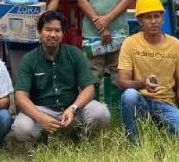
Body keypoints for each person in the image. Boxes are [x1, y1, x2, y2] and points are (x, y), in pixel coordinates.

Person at [11, 10, 110, 143]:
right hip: (42, 110)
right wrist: (40, 118)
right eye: (48, 30)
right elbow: (20, 96)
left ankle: (80, 137)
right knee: (21, 128)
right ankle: (41, 140)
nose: (53, 34)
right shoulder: (29, 59)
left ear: (63, 34)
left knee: (101, 112)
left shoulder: (74, 54)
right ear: (40, 32)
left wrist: (73, 108)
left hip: (71, 109)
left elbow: (89, 88)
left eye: (57, 30)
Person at [117, 0, 179, 145]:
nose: (153, 21)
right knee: (129, 95)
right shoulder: (130, 43)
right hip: (140, 101)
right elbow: (121, 82)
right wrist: (143, 84)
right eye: (148, 17)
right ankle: (134, 144)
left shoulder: (175, 45)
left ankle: (164, 131)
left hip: (166, 104)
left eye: (157, 16)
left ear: (163, 18)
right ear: (140, 21)